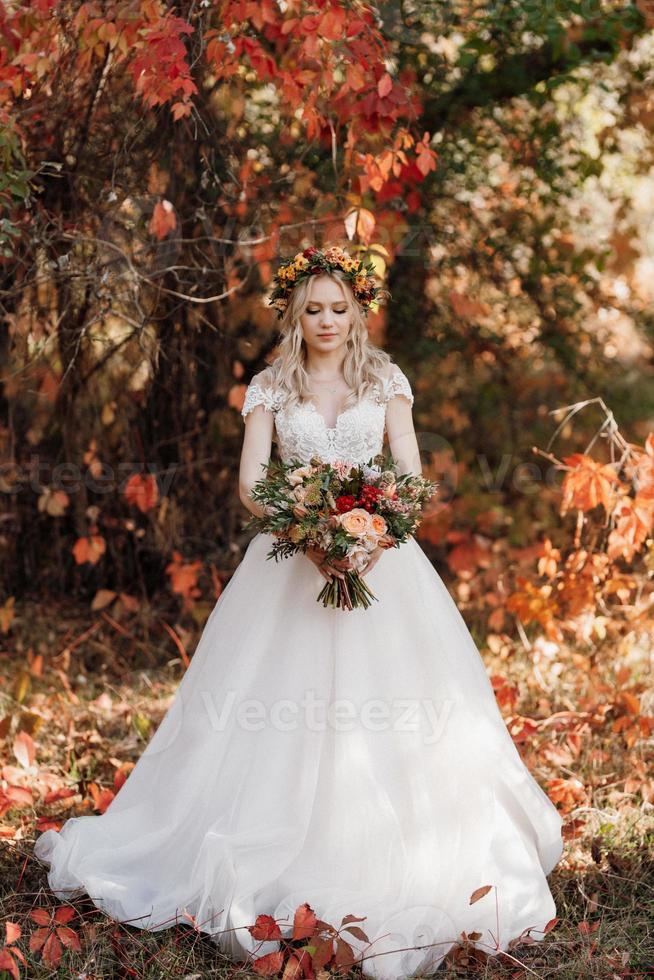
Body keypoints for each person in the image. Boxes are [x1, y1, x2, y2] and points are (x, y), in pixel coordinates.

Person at [33, 244, 563, 979]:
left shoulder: (386, 380)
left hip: (384, 560)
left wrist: (375, 532)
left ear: (357, 313)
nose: (325, 321)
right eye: (312, 308)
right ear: (292, 313)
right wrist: (307, 534)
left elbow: (409, 475)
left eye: (338, 308)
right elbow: (255, 483)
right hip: (292, 563)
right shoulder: (270, 388)